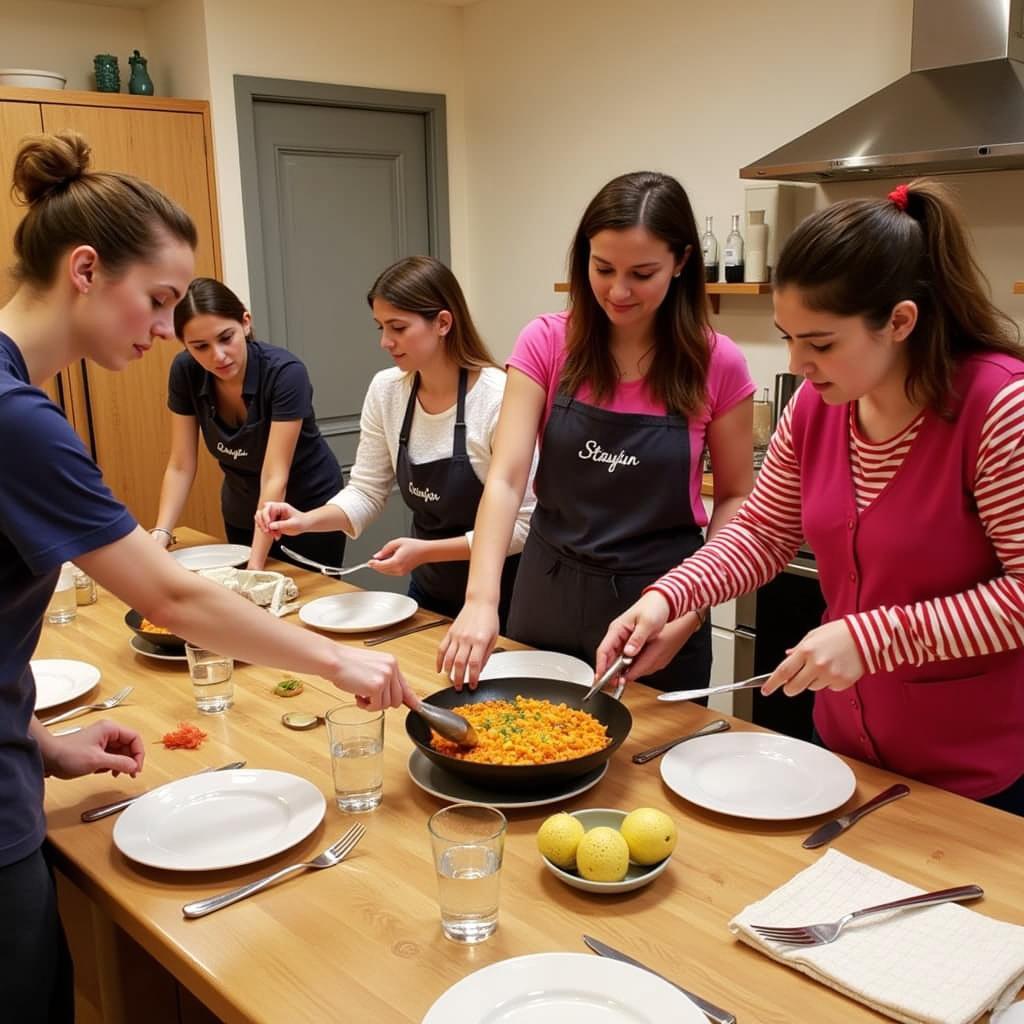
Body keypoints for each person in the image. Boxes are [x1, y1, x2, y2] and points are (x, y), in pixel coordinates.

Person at [0, 131, 413, 1021]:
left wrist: (34, 742)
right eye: (155, 303)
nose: (164, 333)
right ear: (83, 270)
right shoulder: (15, 418)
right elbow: (174, 596)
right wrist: (340, 664)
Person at [598, 180, 1024, 815]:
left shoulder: (999, 408)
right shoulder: (816, 409)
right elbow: (763, 536)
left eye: (819, 343)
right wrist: (667, 597)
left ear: (900, 321)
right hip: (844, 750)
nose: (797, 363)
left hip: (973, 775)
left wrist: (871, 639)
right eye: (787, 336)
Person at [438, 171, 755, 689]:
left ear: (681, 263)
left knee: (649, 763)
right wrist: (480, 600)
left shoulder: (718, 363)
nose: (618, 290)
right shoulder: (546, 342)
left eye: (642, 272)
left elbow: (736, 496)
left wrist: (694, 608)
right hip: (547, 589)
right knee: (526, 747)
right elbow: (507, 477)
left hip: (661, 600)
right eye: (602, 267)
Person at [256, 256, 533, 625]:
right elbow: (367, 491)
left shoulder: (498, 397)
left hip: (504, 598)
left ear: (443, 323)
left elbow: (523, 527)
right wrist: (306, 521)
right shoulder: (387, 390)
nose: (386, 342)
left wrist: (426, 552)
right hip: (429, 591)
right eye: (381, 328)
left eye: (398, 328)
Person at [151, 277, 345, 571]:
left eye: (225, 337)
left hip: (304, 511)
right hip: (242, 510)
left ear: (245, 322)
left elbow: (274, 475)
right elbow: (181, 464)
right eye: (200, 346)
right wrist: (161, 534)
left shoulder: (285, 373)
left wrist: (255, 565)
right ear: (185, 345)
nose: (217, 356)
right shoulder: (185, 371)